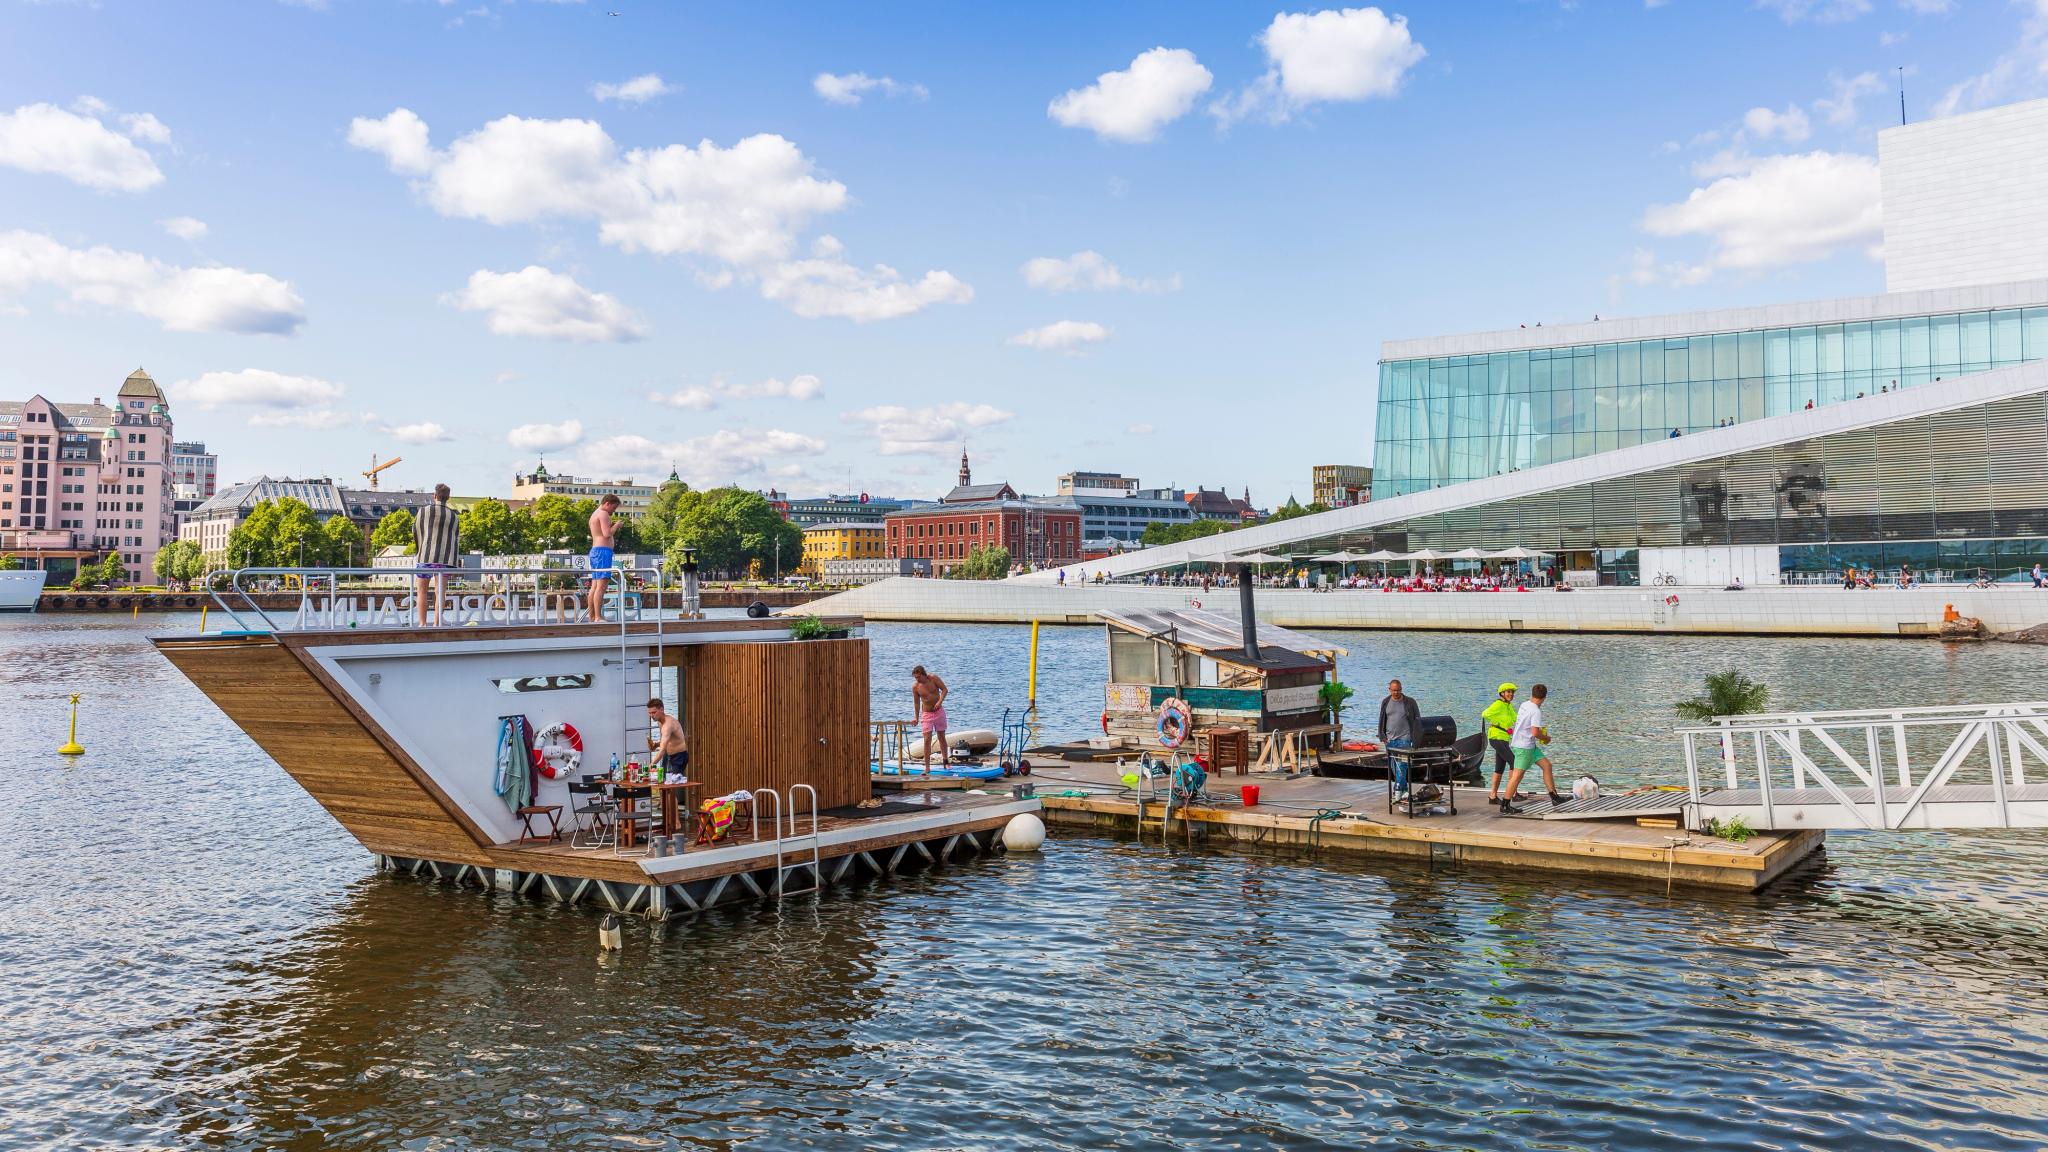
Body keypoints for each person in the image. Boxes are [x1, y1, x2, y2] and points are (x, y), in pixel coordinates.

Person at [1500, 683, 1559, 814]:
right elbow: (1535, 732)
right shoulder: (1536, 711)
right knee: (1517, 776)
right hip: (1524, 748)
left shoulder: (1524, 705)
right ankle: (1505, 804)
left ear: (1532, 694)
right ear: (1544, 697)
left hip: (1527, 745)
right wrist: (1546, 738)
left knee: (1547, 766)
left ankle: (1554, 797)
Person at [412, 483, 460, 627]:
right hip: (445, 559)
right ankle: (437, 623)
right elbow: (455, 537)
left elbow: (416, 530)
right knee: (440, 592)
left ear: (434, 496)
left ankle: (422, 623)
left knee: (422, 591)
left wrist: (420, 548)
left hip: (425, 557)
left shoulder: (423, 511)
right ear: (448, 497)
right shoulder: (454, 516)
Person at [1378, 679, 1421, 794]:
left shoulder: (1410, 702)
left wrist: (1417, 738)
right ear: (1389, 690)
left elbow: (1418, 720)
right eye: (1394, 690)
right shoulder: (1386, 702)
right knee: (1394, 766)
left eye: (1398, 690)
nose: (1396, 692)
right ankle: (1405, 789)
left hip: (1405, 739)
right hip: (1389, 740)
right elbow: (1382, 719)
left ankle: (1397, 790)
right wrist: (1382, 737)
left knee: (1402, 765)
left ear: (1401, 689)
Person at [1482, 683, 1518, 803]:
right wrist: (1498, 723)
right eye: (1508, 692)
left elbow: (1516, 718)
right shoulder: (1498, 704)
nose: (1511, 694)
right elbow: (1485, 714)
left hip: (1503, 738)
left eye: (1512, 692)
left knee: (1499, 768)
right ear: (1502, 693)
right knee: (1513, 761)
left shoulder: (1508, 706)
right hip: (1496, 737)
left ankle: (1492, 796)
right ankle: (1513, 794)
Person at [587, 494, 619, 623]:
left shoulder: (595, 514)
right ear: (607, 503)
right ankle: (598, 617)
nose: (613, 511)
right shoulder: (603, 514)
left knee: (594, 586)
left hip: (596, 551)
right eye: (614, 508)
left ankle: (592, 617)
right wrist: (617, 525)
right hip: (602, 552)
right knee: (601, 586)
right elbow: (607, 534)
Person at [912, 665, 949, 774]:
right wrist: (916, 717)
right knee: (927, 739)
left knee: (941, 737)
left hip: (939, 712)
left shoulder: (933, 678)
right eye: (915, 678)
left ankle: (946, 761)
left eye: (918, 677)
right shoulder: (915, 687)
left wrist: (939, 702)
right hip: (926, 714)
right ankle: (927, 767)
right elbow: (916, 702)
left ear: (924, 674)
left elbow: (945, 690)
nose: (917, 679)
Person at [647, 698, 688, 779]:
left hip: (679, 756)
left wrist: (651, 764)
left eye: (654, 712)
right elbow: (667, 742)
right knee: (662, 779)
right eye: (649, 713)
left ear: (661, 709)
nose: (652, 716)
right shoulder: (660, 722)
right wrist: (656, 745)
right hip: (668, 755)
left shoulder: (668, 725)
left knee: (672, 783)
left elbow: (662, 750)